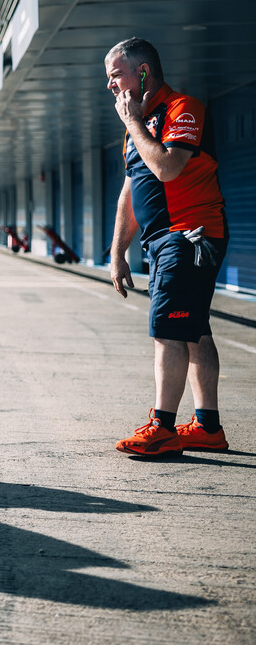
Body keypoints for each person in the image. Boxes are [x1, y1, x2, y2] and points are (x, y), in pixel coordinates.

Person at [105, 37, 229, 456]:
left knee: (167, 331)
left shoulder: (183, 108)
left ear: (142, 72)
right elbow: (131, 190)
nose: (111, 86)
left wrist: (135, 123)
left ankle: (162, 427)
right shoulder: (137, 125)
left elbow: (168, 167)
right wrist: (118, 251)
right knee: (194, 331)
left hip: (190, 233)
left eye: (116, 75)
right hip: (162, 240)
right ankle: (208, 426)